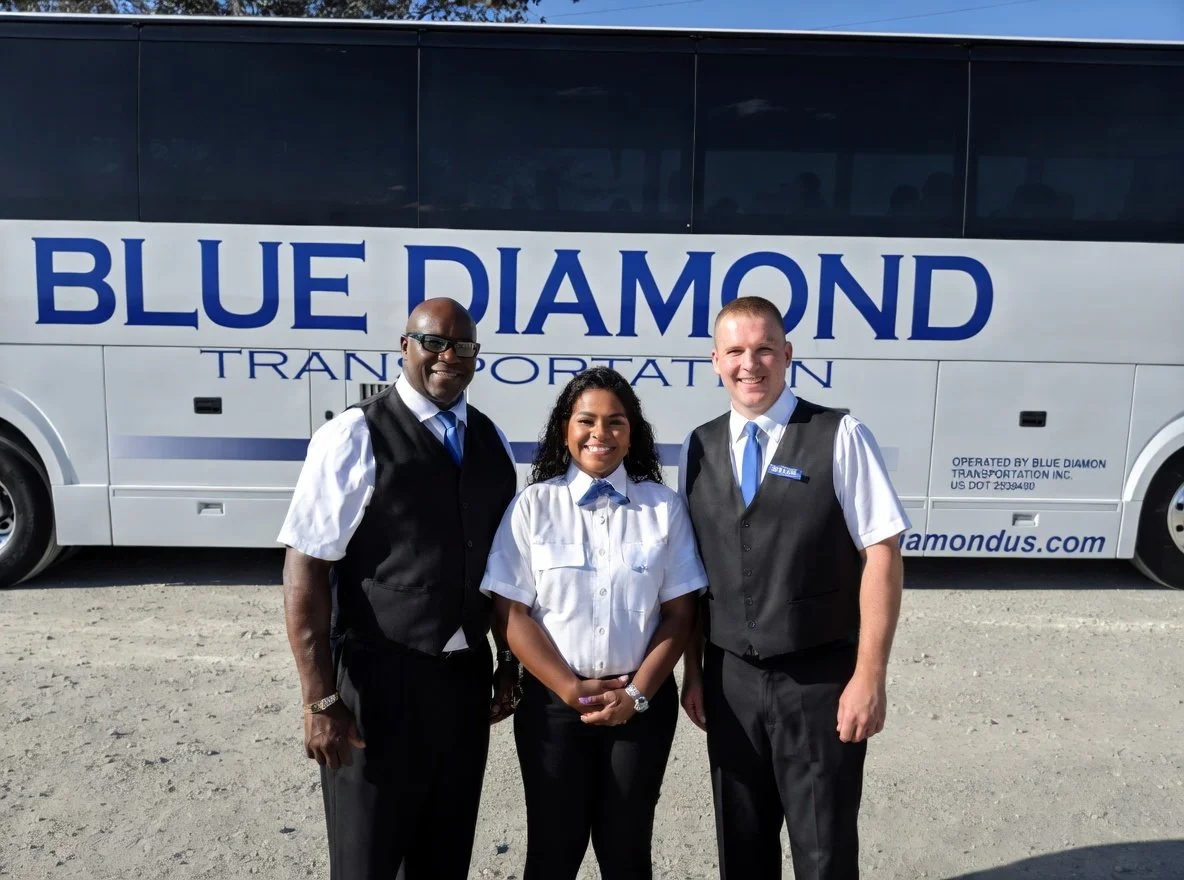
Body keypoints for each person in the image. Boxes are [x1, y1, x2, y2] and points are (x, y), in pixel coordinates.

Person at [277, 298, 519, 880]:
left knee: (444, 859)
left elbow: (508, 571)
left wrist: (507, 661)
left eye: (464, 347)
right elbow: (305, 569)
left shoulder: (492, 441)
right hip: (377, 686)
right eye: (434, 342)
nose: (448, 357)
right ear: (405, 346)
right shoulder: (352, 435)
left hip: (462, 688)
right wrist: (319, 697)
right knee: (367, 863)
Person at [679, 296, 909, 880]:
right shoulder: (700, 446)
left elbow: (882, 553)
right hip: (731, 682)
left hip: (818, 681)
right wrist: (696, 673)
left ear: (787, 355)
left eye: (763, 349)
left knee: (823, 851)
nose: (749, 364)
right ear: (715, 361)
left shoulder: (840, 434)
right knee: (742, 848)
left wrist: (869, 678)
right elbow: (695, 575)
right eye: (735, 351)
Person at [481, 367, 707, 880]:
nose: (600, 434)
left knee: (627, 852)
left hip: (641, 706)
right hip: (553, 708)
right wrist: (570, 689)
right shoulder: (534, 506)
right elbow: (511, 611)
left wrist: (639, 694)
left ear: (633, 434)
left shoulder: (663, 509)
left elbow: (680, 612)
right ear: (565, 428)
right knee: (552, 852)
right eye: (587, 420)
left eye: (616, 422)